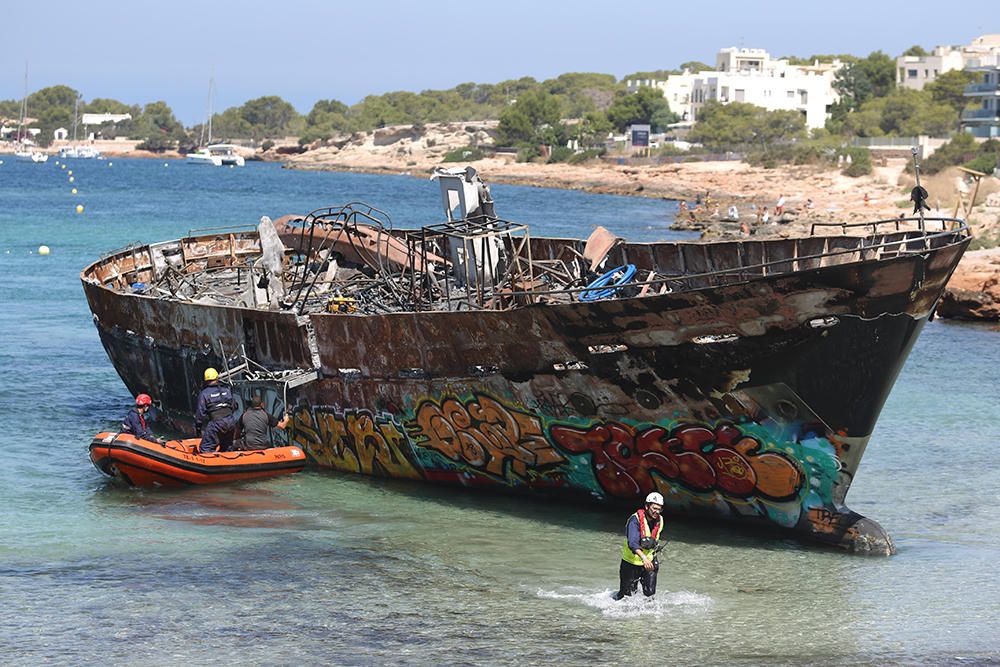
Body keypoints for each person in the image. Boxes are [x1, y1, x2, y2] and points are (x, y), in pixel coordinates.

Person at [613, 491, 665, 600]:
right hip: (631, 563)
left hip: (649, 562)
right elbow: (632, 543)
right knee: (626, 597)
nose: (657, 512)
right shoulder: (634, 520)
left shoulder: (660, 520)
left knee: (650, 596)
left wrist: (649, 558)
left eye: (659, 509)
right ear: (647, 506)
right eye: (654, 508)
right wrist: (644, 558)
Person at [194, 368, 239, 454]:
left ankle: (210, 464)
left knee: (205, 448)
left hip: (217, 423)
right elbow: (234, 406)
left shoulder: (205, 393)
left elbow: (200, 412)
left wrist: (198, 427)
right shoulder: (226, 390)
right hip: (231, 422)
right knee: (227, 447)